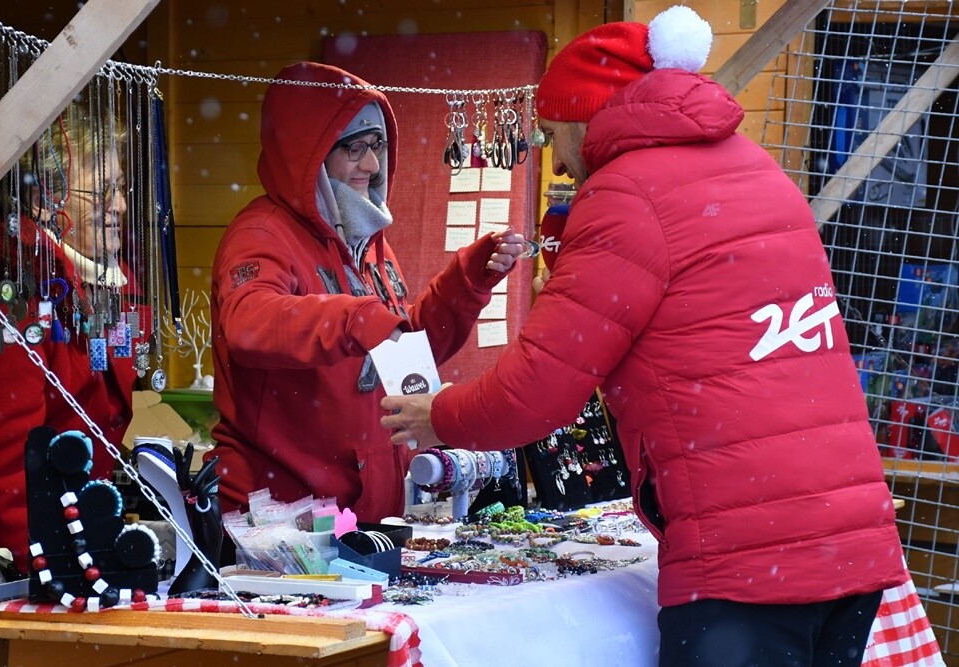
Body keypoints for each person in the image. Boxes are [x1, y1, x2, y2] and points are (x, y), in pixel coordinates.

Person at [381, 6, 907, 666]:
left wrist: (439, 415)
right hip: (848, 545)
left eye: (553, 134)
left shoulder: (626, 195)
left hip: (745, 559)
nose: (558, 161)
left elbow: (537, 391)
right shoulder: (756, 168)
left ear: (584, 116)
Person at [209, 61, 524, 525]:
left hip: (361, 511)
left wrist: (467, 282)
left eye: (377, 146)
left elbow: (404, 348)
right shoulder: (261, 235)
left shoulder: (368, 242)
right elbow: (249, 324)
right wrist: (354, 319)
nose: (373, 165)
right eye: (355, 148)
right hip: (282, 520)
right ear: (310, 155)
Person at [0, 104, 143, 573]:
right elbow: (5, 475)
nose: (119, 206)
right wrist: (63, 568)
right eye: (103, 192)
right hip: (28, 563)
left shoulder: (102, 286)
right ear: (43, 201)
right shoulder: (19, 292)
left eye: (121, 189)